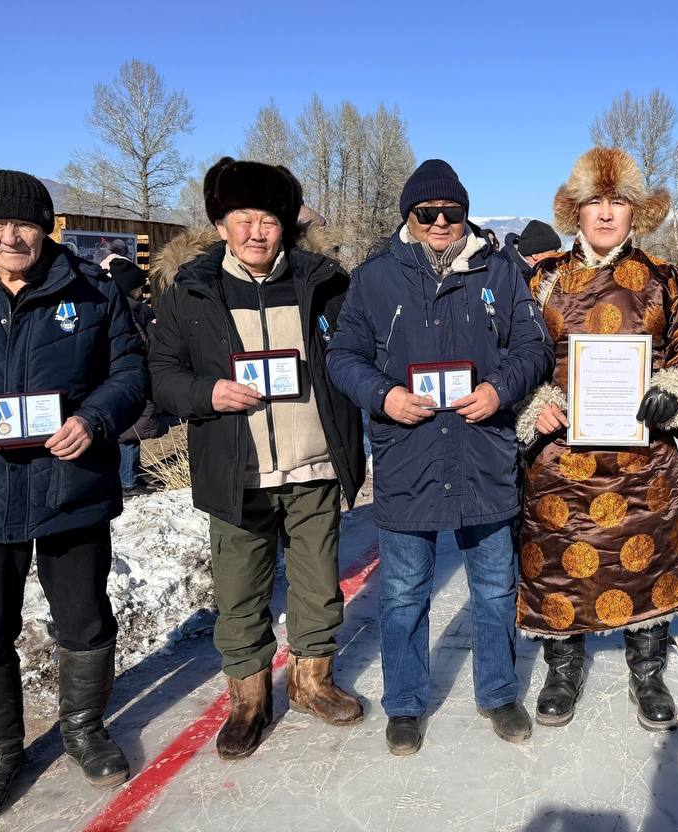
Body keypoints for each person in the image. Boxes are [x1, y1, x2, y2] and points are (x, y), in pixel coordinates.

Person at [0, 171, 148, 823]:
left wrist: (95, 420)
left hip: (68, 487)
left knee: (84, 619)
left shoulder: (92, 290)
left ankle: (83, 729)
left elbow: (130, 371)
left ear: (45, 227)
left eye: (25, 222)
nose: (11, 234)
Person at [327, 158, 554, 755]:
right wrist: (384, 396)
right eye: (427, 213)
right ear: (409, 214)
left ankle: (499, 692)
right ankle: (405, 703)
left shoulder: (500, 270)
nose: (439, 222)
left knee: (495, 587)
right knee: (403, 590)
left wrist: (500, 389)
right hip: (409, 454)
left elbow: (535, 347)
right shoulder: (375, 277)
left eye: (450, 213)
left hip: (483, 451)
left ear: (464, 214)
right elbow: (343, 356)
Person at [149, 158, 367, 760]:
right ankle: (249, 700)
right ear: (220, 224)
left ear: (285, 225)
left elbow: (356, 355)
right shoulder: (192, 291)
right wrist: (206, 394)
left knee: (319, 586)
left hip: (314, 462)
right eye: (241, 218)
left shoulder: (324, 282)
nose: (255, 231)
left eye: (267, 218)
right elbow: (161, 376)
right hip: (237, 471)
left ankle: (311, 681)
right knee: (241, 592)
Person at [516, 147, 678, 732]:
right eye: (594, 202)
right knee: (560, 563)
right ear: (575, 210)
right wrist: (533, 405)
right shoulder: (540, 279)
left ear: (637, 213)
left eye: (618, 202)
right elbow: (508, 355)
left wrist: (675, 391)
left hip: (641, 460)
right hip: (560, 461)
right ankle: (561, 669)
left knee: (644, 561)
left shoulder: (663, 281)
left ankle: (648, 671)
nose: (605, 214)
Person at [103, 258, 162, 495]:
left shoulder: (109, 306)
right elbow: (148, 343)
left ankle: (130, 472)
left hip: (114, 378)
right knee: (131, 431)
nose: (142, 291)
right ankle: (128, 480)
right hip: (134, 376)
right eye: (139, 286)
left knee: (128, 428)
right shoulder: (137, 311)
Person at [502, 218, 563, 282]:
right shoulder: (505, 274)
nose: (556, 256)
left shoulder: (534, 272)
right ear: (535, 255)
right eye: (554, 252)